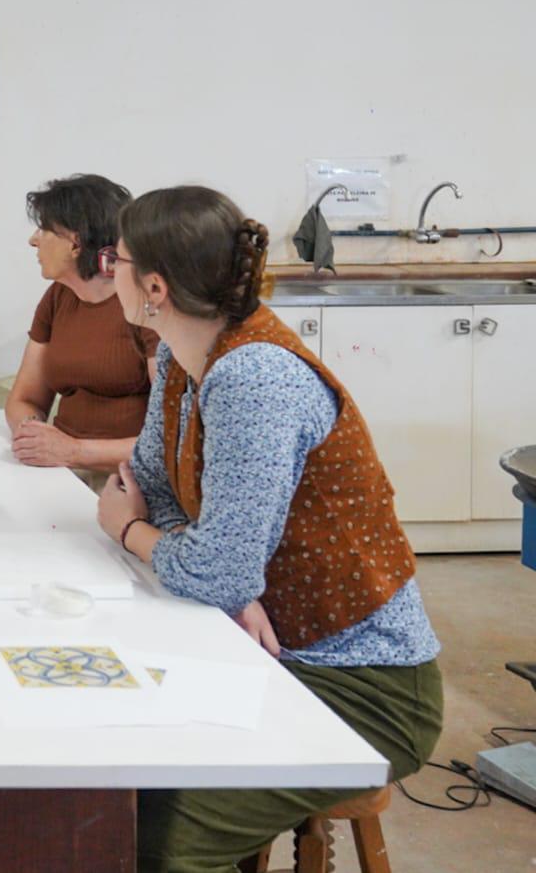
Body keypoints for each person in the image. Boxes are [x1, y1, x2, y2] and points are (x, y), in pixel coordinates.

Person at [94, 186, 442, 873]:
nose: (109, 271)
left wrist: (133, 534)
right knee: (111, 769)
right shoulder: (181, 357)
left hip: (363, 684)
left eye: (117, 260)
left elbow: (182, 543)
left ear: (155, 287)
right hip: (271, 647)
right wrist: (219, 573)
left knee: (155, 839)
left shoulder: (253, 377)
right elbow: (154, 486)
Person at [4, 175, 158, 487]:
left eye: (43, 229)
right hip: (63, 469)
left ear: (75, 243)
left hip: (126, 480)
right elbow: (24, 398)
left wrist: (72, 451)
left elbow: (172, 442)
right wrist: (34, 435)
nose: (33, 240)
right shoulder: (58, 296)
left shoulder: (148, 306)